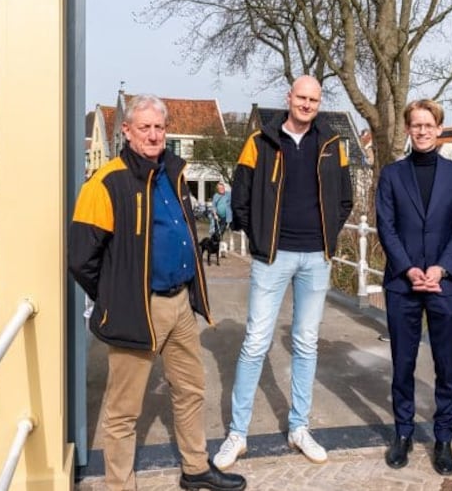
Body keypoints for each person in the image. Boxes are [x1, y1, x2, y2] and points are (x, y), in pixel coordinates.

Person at [68, 95, 246, 491]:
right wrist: (118, 296)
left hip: (180, 304)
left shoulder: (173, 172)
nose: (153, 135)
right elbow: (81, 259)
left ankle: (195, 469)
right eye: (144, 127)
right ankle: (119, 485)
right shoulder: (106, 182)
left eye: (159, 127)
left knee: (190, 389)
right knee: (123, 410)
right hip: (139, 309)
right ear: (127, 132)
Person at [213, 75, 354, 469]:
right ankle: (237, 434)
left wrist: (327, 236)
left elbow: (345, 198)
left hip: (316, 257)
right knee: (256, 342)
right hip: (272, 257)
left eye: (314, 99)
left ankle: (299, 427)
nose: (307, 104)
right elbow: (240, 195)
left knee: (306, 342)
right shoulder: (260, 141)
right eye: (301, 97)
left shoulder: (332, 144)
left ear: (318, 102)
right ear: (289, 98)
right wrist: (259, 238)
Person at [375, 99, 452, 475]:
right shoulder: (391, 174)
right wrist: (409, 269)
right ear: (407, 129)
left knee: (446, 365)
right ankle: (402, 433)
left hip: (445, 284)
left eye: (428, 125)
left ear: (438, 128)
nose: (421, 131)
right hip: (403, 284)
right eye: (415, 125)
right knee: (403, 363)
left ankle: (444, 437)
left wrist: (441, 268)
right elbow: (386, 226)